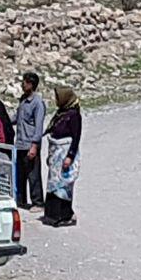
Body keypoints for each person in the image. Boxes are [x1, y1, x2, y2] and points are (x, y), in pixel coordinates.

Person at [42, 85, 82, 227]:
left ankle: (64, 215)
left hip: (65, 153)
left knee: (63, 185)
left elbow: (76, 137)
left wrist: (70, 156)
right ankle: (52, 214)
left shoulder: (74, 115)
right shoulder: (61, 113)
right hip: (56, 153)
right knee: (53, 184)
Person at [13, 72, 46, 210]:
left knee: (33, 175)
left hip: (30, 144)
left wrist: (34, 146)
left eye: (25, 82)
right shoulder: (23, 100)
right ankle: (21, 200)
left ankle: (38, 202)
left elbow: (38, 127)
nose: (22, 84)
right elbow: (17, 118)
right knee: (20, 174)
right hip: (20, 143)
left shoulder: (37, 103)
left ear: (31, 84)